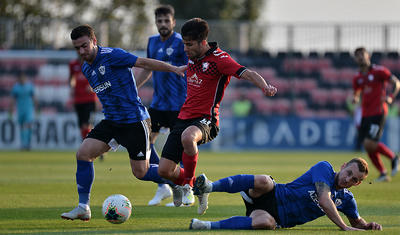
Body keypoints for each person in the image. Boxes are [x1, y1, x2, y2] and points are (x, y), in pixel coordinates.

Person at [61, 24, 186, 221]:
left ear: (94, 41)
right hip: (111, 121)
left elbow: (144, 63)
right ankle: (83, 207)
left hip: (134, 120)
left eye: (85, 45)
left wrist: (174, 69)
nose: (81, 51)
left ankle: (183, 179)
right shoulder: (86, 67)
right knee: (83, 154)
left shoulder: (112, 55)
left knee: (141, 172)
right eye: (77, 48)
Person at [157, 18, 277, 212]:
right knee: (164, 170)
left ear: (202, 42)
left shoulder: (220, 60)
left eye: (189, 44)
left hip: (207, 119)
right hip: (184, 116)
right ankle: (198, 186)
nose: (185, 49)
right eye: (184, 44)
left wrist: (265, 86)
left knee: (188, 137)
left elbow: (247, 73)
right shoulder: (192, 56)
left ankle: (188, 185)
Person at [190, 158, 382, 231]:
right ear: (343, 166)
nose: (348, 179)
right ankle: (209, 187)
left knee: (266, 224)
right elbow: (324, 199)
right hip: (272, 194)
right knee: (265, 180)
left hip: (276, 217)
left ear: (358, 183)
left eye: (355, 179)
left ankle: (204, 226)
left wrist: (367, 226)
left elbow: (356, 221)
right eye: (349, 173)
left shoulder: (347, 200)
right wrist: (343, 227)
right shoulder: (324, 169)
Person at [135, 5, 188, 206]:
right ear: (156, 22)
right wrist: (134, 87)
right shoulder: (152, 42)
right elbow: (148, 69)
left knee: (182, 146)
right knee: (145, 141)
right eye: (160, 21)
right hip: (158, 103)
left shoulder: (182, 43)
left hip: (179, 103)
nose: (163, 24)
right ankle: (163, 186)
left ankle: (185, 189)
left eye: (167, 20)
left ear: (173, 22)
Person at [352, 47, 400, 182]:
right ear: (355, 59)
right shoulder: (357, 77)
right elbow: (356, 91)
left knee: (370, 143)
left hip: (378, 112)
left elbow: (396, 83)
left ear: (368, 56)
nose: (360, 57)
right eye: (357, 55)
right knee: (367, 146)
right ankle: (383, 173)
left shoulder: (379, 71)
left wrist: (390, 96)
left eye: (362, 54)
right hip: (365, 114)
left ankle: (393, 157)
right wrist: (355, 97)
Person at [69, 54, 105, 159]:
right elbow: (71, 78)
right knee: (82, 127)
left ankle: (93, 148)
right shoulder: (73, 64)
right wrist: (72, 86)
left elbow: (101, 80)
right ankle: (96, 148)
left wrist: (93, 87)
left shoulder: (93, 64)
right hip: (78, 100)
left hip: (89, 100)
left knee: (87, 126)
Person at [10, 73, 36, 151]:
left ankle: (27, 143)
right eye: (20, 78)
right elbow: (13, 99)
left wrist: (37, 107)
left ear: (25, 78)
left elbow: (34, 97)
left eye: (23, 78)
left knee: (28, 125)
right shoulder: (16, 87)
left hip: (29, 109)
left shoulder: (29, 86)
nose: (22, 80)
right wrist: (10, 109)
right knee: (21, 126)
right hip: (20, 109)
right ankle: (23, 144)